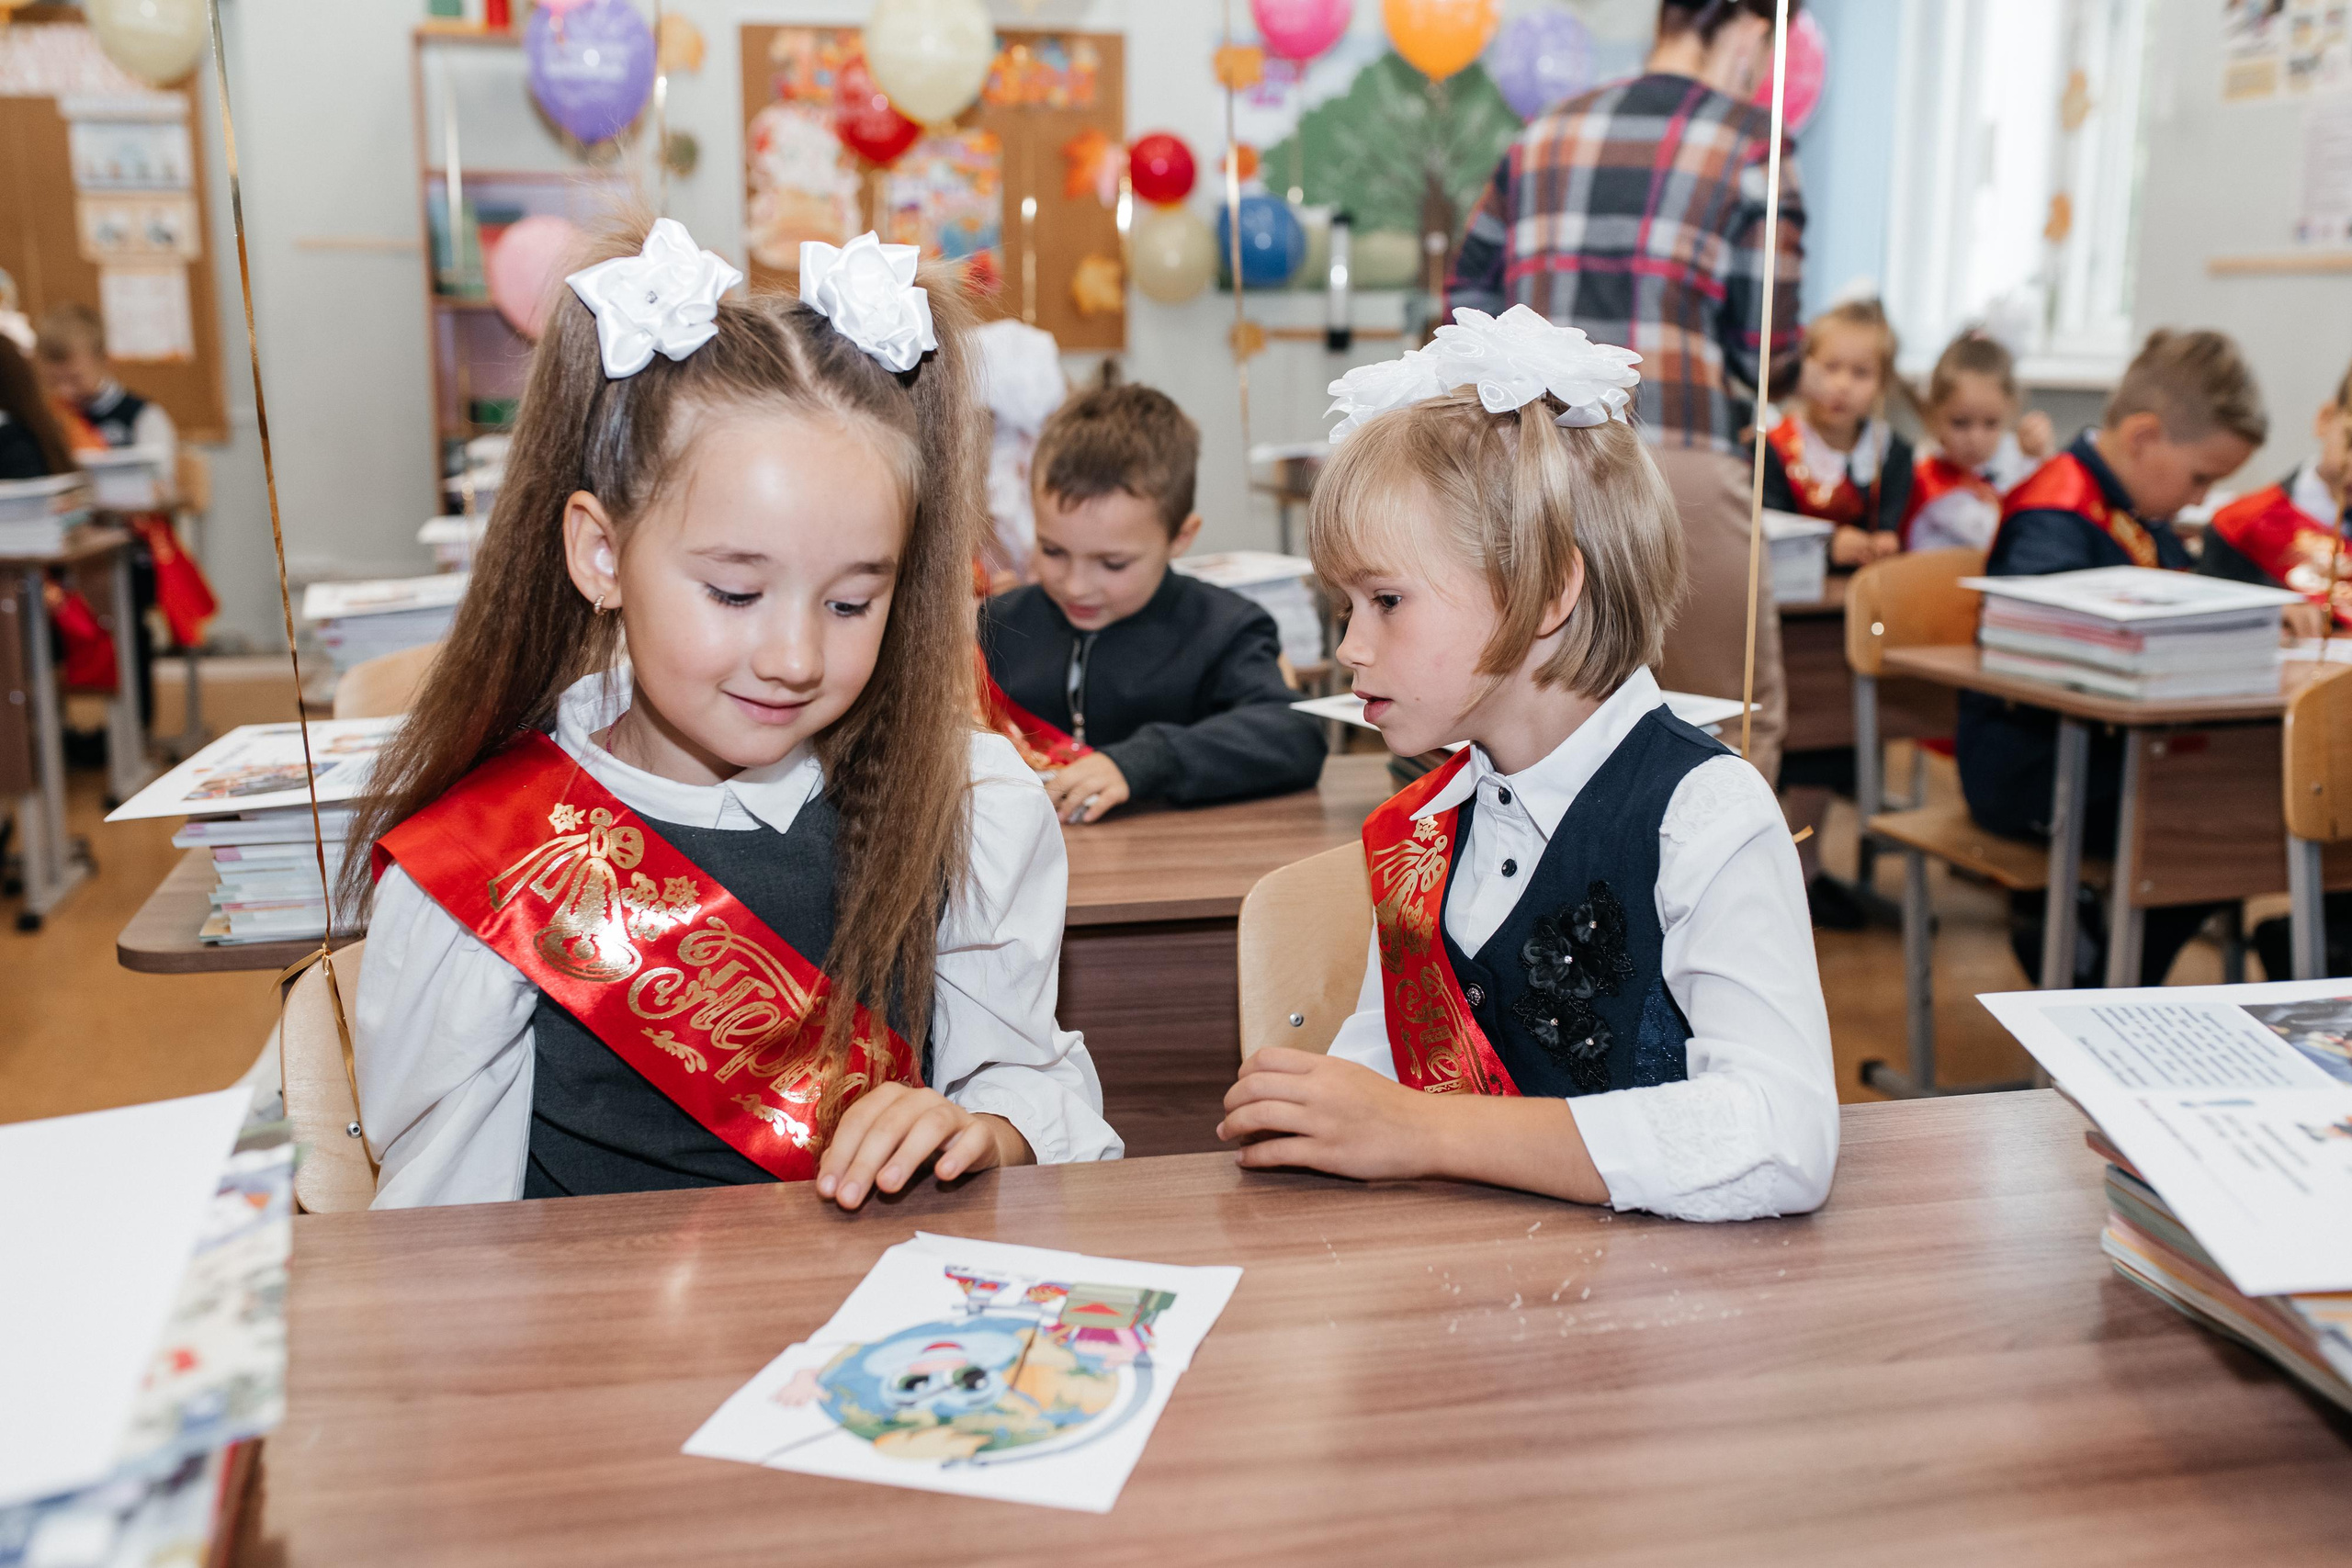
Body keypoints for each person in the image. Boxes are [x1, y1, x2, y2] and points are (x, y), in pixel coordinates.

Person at [348, 219, 1120, 1210]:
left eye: (850, 604)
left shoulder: (965, 804)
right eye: (734, 593)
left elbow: (1033, 1085)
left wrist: (985, 1129)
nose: (795, 658)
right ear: (599, 554)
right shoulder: (489, 855)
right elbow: (440, 1236)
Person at [1217, 308, 1837, 1222]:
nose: (1350, 647)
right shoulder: (1423, 828)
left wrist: (1422, 1132)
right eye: (1344, 605)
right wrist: (1326, 1107)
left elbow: (1784, 1139)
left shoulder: (1704, 814)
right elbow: (1389, 1068)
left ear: (1547, 595)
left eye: (1385, 600)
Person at [1450, 0, 1805, 785]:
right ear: (1749, 29)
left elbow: (1464, 294)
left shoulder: (1542, 132)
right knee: (1727, 714)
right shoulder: (1754, 144)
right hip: (1677, 451)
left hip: (1536, 458)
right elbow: (1768, 346)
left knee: (1546, 711)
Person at [1957, 329, 2267, 986]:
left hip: (2117, 758)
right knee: (2217, 817)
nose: (2199, 498)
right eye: (2200, 477)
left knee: (2239, 800)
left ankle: (2115, 970)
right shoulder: (2054, 515)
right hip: (2030, 764)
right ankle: (2100, 981)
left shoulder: (2138, 509)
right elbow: (2040, 664)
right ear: (2145, 437)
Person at [978, 383, 1326, 825]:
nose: (1076, 586)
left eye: (1113, 563)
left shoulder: (1224, 629)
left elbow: (1294, 738)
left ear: (1180, 537)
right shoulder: (995, 627)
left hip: (1170, 869)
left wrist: (1147, 761)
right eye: (1053, 551)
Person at [2198, 359, 2351, 640]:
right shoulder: (2238, 528)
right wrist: (2260, 618)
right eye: (2351, 440)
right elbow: (2204, 630)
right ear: (2326, 419)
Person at [1761, 298, 1913, 567]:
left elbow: (1891, 523)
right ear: (1801, 370)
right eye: (1830, 368)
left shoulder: (1895, 453)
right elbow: (1764, 535)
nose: (1842, 385)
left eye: (1861, 373)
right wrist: (1827, 547)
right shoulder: (1770, 448)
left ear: (1883, 384)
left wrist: (1885, 540)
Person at [1905, 331, 2028, 553]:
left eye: (1991, 424)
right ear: (1933, 417)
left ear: (2009, 413)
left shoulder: (2008, 459)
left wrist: (2039, 454)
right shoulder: (1928, 477)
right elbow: (1994, 534)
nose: (1975, 438)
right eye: (1960, 423)